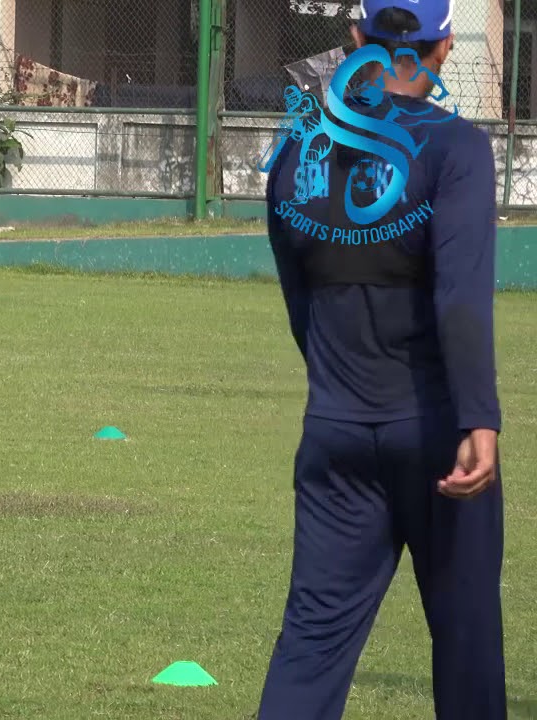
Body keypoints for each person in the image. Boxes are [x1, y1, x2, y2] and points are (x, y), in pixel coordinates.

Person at [258, 1, 506, 718]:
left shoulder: (302, 147)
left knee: (310, 651)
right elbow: (460, 295)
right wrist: (478, 418)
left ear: (358, 38)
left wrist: (339, 385)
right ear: (446, 46)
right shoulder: (454, 148)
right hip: (438, 436)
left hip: (336, 431)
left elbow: (298, 297)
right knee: (466, 651)